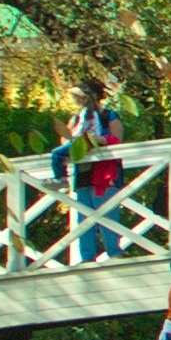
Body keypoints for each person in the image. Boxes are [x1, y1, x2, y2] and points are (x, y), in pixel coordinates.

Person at [58, 76, 125, 262]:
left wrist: (99, 141)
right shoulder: (77, 118)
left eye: (82, 94)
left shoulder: (108, 116)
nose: (78, 99)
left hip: (105, 172)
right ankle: (87, 257)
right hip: (82, 172)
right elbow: (64, 141)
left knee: (107, 213)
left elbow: (117, 141)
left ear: (93, 95)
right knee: (83, 216)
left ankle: (115, 253)